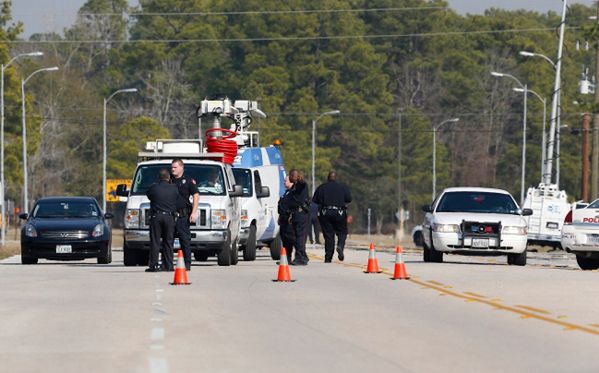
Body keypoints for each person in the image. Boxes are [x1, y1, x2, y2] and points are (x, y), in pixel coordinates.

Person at [312, 171, 352, 263]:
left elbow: (315, 200)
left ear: (328, 178)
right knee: (342, 232)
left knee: (329, 236)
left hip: (326, 213)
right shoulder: (342, 187)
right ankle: (340, 246)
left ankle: (328, 257)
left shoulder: (322, 187)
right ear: (336, 178)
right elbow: (349, 199)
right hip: (339, 213)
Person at [146, 168, 179, 272]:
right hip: (169, 217)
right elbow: (176, 198)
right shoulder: (174, 188)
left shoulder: (153, 188)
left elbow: (149, 196)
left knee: (155, 242)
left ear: (159, 178)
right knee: (168, 242)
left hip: (157, 216)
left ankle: (154, 265)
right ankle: (169, 265)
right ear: (168, 178)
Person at [171, 158, 200, 271]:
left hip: (183, 216)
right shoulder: (169, 180)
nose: (172, 169)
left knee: (185, 241)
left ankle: (187, 264)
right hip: (171, 216)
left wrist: (193, 212)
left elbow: (196, 195)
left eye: (175, 167)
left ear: (181, 167)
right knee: (168, 241)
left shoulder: (188, 181)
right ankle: (167, 263)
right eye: (172, 167)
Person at [277, 169, 310, 265]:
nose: (289, 178)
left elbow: (302, 185)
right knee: (295, 236)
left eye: (290, 176)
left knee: (299, 237)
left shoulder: (299, 185)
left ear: (293, 176)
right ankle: (298, 257)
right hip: (295, 215)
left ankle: (300, 257)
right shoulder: (293, 188)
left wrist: (300, 181)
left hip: (301, 215)